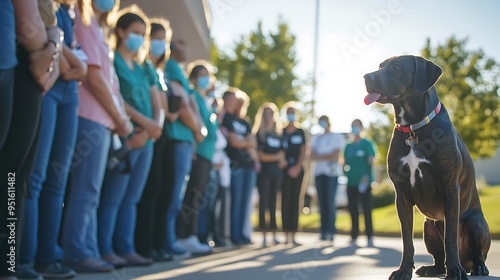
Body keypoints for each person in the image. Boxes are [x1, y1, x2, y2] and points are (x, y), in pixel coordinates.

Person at [61, 0, 134, 272]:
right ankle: (77, 251)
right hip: (90, 116)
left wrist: (118, 119)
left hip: (102, 121)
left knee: (92, 191)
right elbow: (93, 77)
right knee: (85, 190)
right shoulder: (83, 20)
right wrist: (120, 119)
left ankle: (87, 249)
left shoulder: (96, 27)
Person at [20, 0, 87, 278]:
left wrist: (71, 61)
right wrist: (73, 61)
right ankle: (23, 258)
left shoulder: (69, 13)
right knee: (34, 176)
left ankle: (48, 258)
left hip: (69, 94)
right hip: (46, 85)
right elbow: (60, 54)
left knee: (57, 180)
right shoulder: (45, 5)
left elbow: (76, 62)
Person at [97, 5, 164, 267]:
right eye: (136, 32)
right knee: (112, 196)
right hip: (126, 136)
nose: (140, 39)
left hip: (146, 139)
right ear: (121, 32)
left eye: (144, 34)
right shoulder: (112, 60)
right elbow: (116, 99)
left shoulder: (144, 68)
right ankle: (105, 248)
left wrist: (153, 128)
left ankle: (126, 248)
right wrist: (146, 125)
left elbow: (157, 103)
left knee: (132, 198)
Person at [0, 0, 63, 278]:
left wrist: (54, 42)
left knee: (15, 179)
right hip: (23, 68)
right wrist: (52, 44)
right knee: (13, 177)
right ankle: (9, 264)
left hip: (25, 72)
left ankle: (10, 263)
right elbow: (34, 37)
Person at [135, 17, 177, 262]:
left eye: (163, 39)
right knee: (146, 189)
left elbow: (164, 104)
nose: (158, 44)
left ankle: (156, 244)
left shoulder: (160, 70)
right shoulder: (143, 68)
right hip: (145, 131)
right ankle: (143, 245)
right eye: (154, 38)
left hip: (159, 134)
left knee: (160, 189)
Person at [162, 39, 203, 259]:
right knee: (173, 195)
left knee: (177, 195)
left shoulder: (179, 71)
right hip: (178, 139)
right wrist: (197, 129)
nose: (185, 48)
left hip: (186, 141)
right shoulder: (171, 67)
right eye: (181, 44)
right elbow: (183, 105)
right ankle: (169, 241)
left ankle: (171, 239)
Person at [176, 61, 218, 255]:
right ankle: (186, 236)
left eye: (207, 75)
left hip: (207, 156)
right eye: (201, 75)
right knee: (191, 196)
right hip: (197, 154)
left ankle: (192, 235)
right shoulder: (193, 96)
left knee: (198, 196)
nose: (205, 79)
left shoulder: (207, 102)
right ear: (193, 78)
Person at [221, 88, 257, 245]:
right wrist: (245, 144)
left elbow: (253, 143)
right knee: (235, 201)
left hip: (249, 166)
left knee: (245, 201)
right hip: (235, 166)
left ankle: (243, 234)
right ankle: (234, 235)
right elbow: (233, 142)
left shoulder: (245, 122)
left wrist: (243, 143)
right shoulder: (227, 119)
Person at [198, 97, 231, 247]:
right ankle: (202, 234)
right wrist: (213, 164)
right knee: (206, 205)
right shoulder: (208, 121)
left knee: (214, 207)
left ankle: (214, 235)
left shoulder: (217, 125)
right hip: (210, 167)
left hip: (218, 171)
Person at [253, 102, 287, 247]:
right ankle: (264, 235)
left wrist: (282, 160)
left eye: (271, 114)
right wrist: (276, 157)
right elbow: (261, 155)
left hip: (276, 174)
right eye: (266, 114)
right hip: (264, 174)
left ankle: (273, 232)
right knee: (264, 203)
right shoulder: (259, 134)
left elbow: (282, 154)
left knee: (274, 203)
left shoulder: (277, 135)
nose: (269, 117)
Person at [309, 115, 345, 243]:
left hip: (331, 173)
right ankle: (323, 231)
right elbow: (312, 156)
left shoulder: (336, 137)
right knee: (322, 203)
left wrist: (321, 156)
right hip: (319, 173)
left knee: (330, 202)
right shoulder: (316, 138)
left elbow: (334, 156)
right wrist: (325, 156)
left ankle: (331, 231)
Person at [343, 119, 377, 247]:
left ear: (361, 128)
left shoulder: (367, 144)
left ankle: (369, 236)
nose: (354, 129)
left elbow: (371, 161)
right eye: (353, 126)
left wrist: (367, 177)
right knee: (353, 210)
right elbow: (344, 162)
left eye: (356, 126)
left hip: (364, 183)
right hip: (351, 182)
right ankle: (354, 235)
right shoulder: (348, 145)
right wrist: (346, 174)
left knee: (366, 210)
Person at [281, 102, 306, 245]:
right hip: (284, 171)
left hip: (297, 171)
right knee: (285, 201)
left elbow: (303, 151)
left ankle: (294, 234)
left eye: (293, 112)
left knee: (295, 201)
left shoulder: (300, 132)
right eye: (288, 112)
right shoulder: (281, 132)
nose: (290, 115)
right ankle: (285, 234)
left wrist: (297, 167)